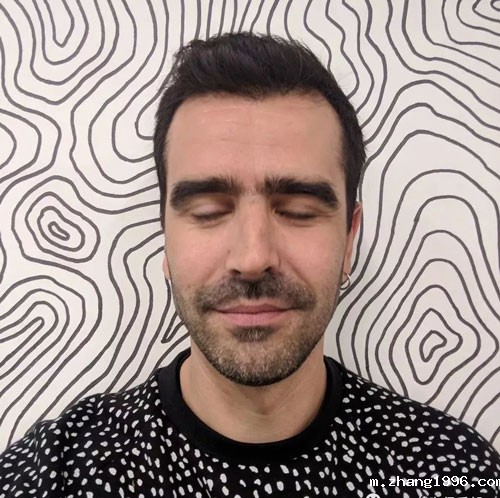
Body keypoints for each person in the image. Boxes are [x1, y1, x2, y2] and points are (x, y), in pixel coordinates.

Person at [0, 32, 498, 498]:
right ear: (165, 239)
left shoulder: (449, 472)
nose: (254, 258)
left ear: (350, 238)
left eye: (298, 210)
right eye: (208, 211)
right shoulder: (58, 475)